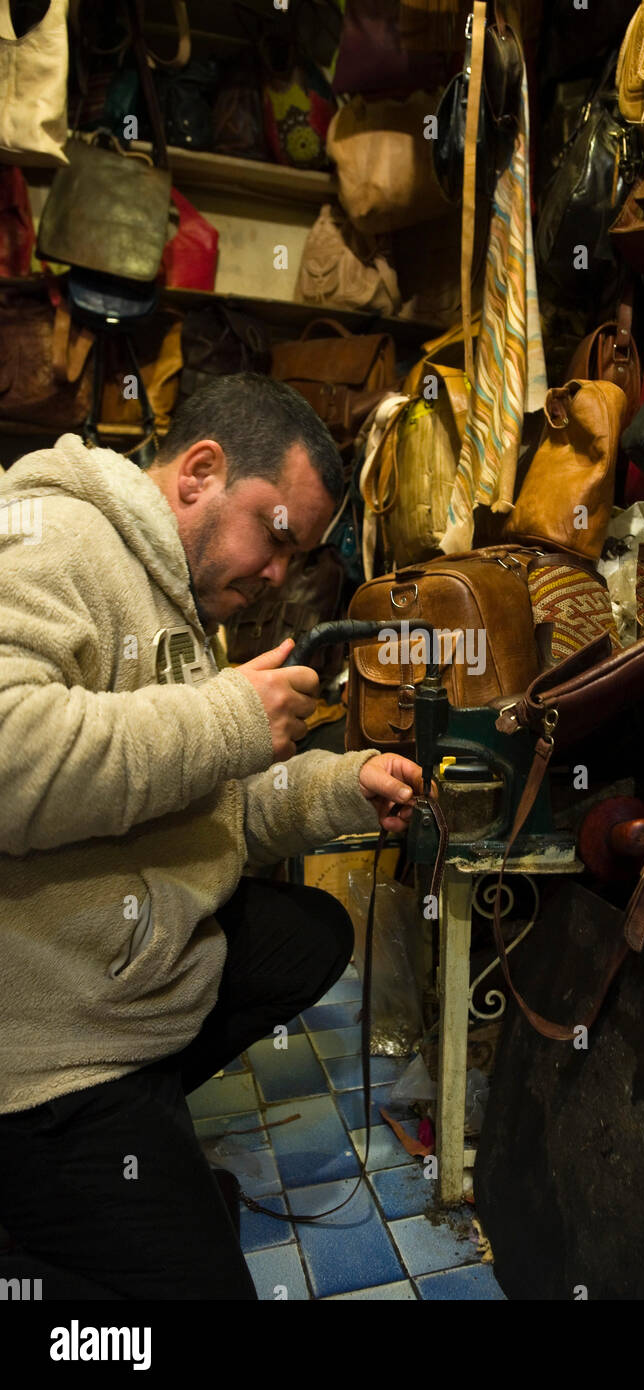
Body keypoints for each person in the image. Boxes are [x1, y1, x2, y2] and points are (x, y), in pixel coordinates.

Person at [0, 373, 425, 1299]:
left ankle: (140, 1127)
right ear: (199, 472)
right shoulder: (52, 536)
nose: (280, 573)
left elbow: (211, 798)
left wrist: (342, 785)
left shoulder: (177, 591)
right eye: (276, 536)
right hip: (38, 1044)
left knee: (308, 935)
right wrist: (227, 720)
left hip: (115, 973)